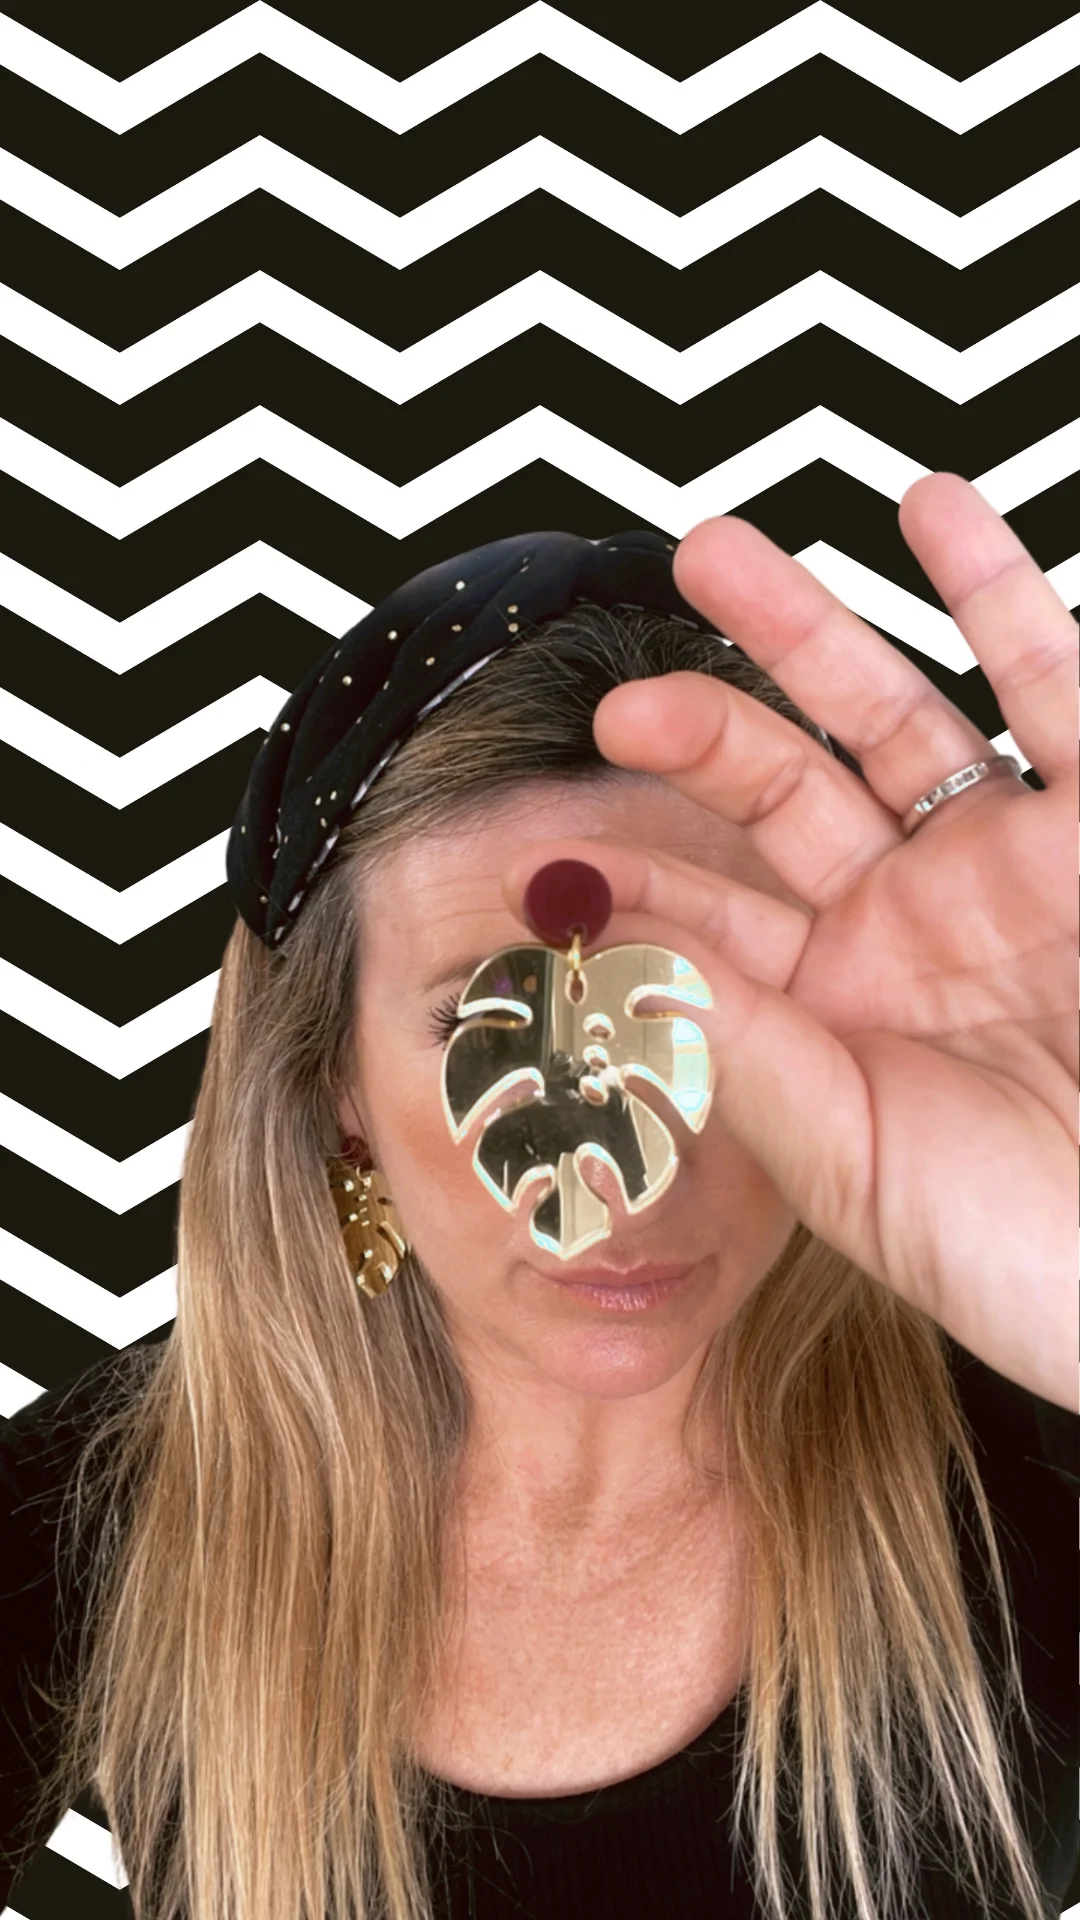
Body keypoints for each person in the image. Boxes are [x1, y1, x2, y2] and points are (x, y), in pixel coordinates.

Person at [1, 474, 1076, 1920]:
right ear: (334, 1082)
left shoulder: (1033, 1455)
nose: (619, 1170)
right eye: (489, 1025)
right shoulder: (112, 1505)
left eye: (694, 1012)